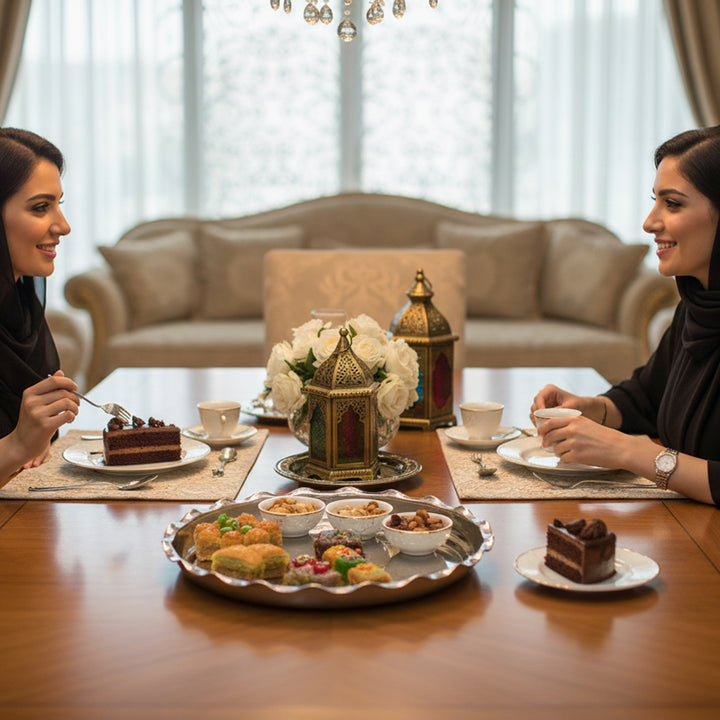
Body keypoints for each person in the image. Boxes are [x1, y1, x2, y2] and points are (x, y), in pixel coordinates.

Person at [531, 125, 720, 507]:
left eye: (673, 204)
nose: (650, 222)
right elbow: (647, 398)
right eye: (655, 201)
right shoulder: (696, 307)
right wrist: (591, 408)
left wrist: (625, 451)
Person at [0, 128, 79, 481]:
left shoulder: (21, 308)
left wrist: (37, 437)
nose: (63, 225)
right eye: (40, 207)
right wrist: (17, 445)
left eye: (59, 204)